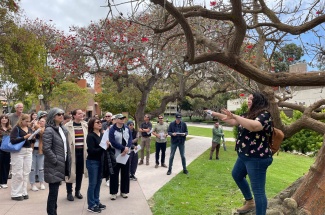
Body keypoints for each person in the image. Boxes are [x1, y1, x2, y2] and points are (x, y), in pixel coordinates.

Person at [205, 92, 273, 215]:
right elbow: (232, 121)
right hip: (244, 155)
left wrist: (235, 116)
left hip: (257, 158)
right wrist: (214, 114)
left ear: (258, 101)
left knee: (258, 191)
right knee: (237, 175)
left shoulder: (265, 115)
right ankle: (249, 202)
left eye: (251, 99)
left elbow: (254, 126)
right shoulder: (249, 114)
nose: (248, 101)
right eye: (248, 99)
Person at [43, 108, 71, 215]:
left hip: (61, 164)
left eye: (62, 114)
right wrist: (55, 160)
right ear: (52, 116)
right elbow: (46, 148)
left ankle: (53, 212)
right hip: (54, 165)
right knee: (53, 193)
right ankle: (51, 213)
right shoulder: (49, 130)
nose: (61, 116)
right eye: (58, 114)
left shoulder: (62, 128)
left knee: (55, 192)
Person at [65, 109, 88, 201]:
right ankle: (69, 192)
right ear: (74, 115)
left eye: (82, 113)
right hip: (71, 152)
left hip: (82, 152)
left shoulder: (85, 125)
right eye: (79, 113)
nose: (81, 115)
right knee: (70, 172)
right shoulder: (67, 126)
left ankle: (77, 191)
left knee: (79, 172)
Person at [9, 114, 33, 200]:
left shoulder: (29, 128)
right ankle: (15, 193)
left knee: (26, 172)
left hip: (28, 150)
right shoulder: (16, 128)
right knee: (18, 173)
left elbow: (31, 141)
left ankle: (23, 191)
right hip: (18, 151)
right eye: (26, 121)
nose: (27, 123)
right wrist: (24, 137)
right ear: (21, 120)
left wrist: (32, 137)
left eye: (28, 121)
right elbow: (13, 140)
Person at [109, 114, 132, 200]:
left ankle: (124, 191)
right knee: (114, 174)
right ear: (116, 119)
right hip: (116, 154)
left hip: (125, 154)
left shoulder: (126, 128)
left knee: (125, 173)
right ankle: (113, 193)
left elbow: (130, 139)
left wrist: (127, 148)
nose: (122, 120)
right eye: (120, 118)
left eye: (123, 118)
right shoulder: (112, 129)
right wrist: (122, 148)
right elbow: (112, 141)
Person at [86, 118, 106, 213]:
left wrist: (107, 146)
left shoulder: (102, 135)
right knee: (92, 184)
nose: (100, 124)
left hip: (101, 161)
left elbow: (104, 148)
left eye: (100, 122)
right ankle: (91, 205)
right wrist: (103, 147)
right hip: (92, 162)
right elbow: (92, 151)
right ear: (92, 125)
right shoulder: (90, 136)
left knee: (98, 183)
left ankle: (96, 201)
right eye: (97, 122)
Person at [29, 117, 46, 191]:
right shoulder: (33, 129)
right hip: (32, 150)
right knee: (32, 169)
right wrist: (32, 124)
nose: (41, 122)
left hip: (40, 151)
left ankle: (41, 183)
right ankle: (32, 184)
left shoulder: (45, 129)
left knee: (41, 168)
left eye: (42, 121)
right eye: (40, 121)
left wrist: (36, 125)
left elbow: (42, 132)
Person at [0, 114, 12, 188]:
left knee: (6, 165)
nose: (4, 119)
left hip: (7, 149)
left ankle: (4, 182)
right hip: (0, 147)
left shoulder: (10, 128)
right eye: (2, 118)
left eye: (6, 118)